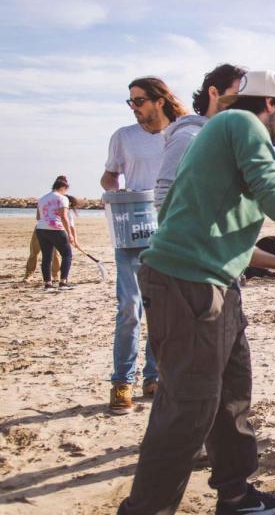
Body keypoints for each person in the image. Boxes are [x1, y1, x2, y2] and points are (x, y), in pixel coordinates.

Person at [117, 70, 275, 515]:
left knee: (232, 397)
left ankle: (236, 496)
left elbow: (227, 235)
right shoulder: (241, 124)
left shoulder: (225, 141)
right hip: (188, 284)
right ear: (269, 104)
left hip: (216, 282)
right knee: (186, 411)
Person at [101, 77, 188, 414]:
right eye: (131, 102)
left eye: (138, 101)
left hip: (170, 234)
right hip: (130, 233)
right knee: (129, 309)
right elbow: (109, 176)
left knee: (162, 311)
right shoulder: (123, 137)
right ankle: (122, 382)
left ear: (160, 100)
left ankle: (154, 376)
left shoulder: (182, 135)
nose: (133, 108)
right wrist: (114, 192)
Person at [154, 64, 246, 210]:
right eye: (236, 96)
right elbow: (163, 198)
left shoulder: (236, 140)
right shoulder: (188, 137)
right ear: (214, 93)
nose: (242, 105)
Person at [34, 175, 77, 291]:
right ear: (63, 187)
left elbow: (38, 217)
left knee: (46, 257)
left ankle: (48, 284)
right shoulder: (63, 198)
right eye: (66, 189)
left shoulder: (42, 198)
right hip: (56, 229)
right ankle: (63, 282)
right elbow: (64, 217)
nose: (66, 192)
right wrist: (70, 234)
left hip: (41, 229)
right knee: (67, 254)